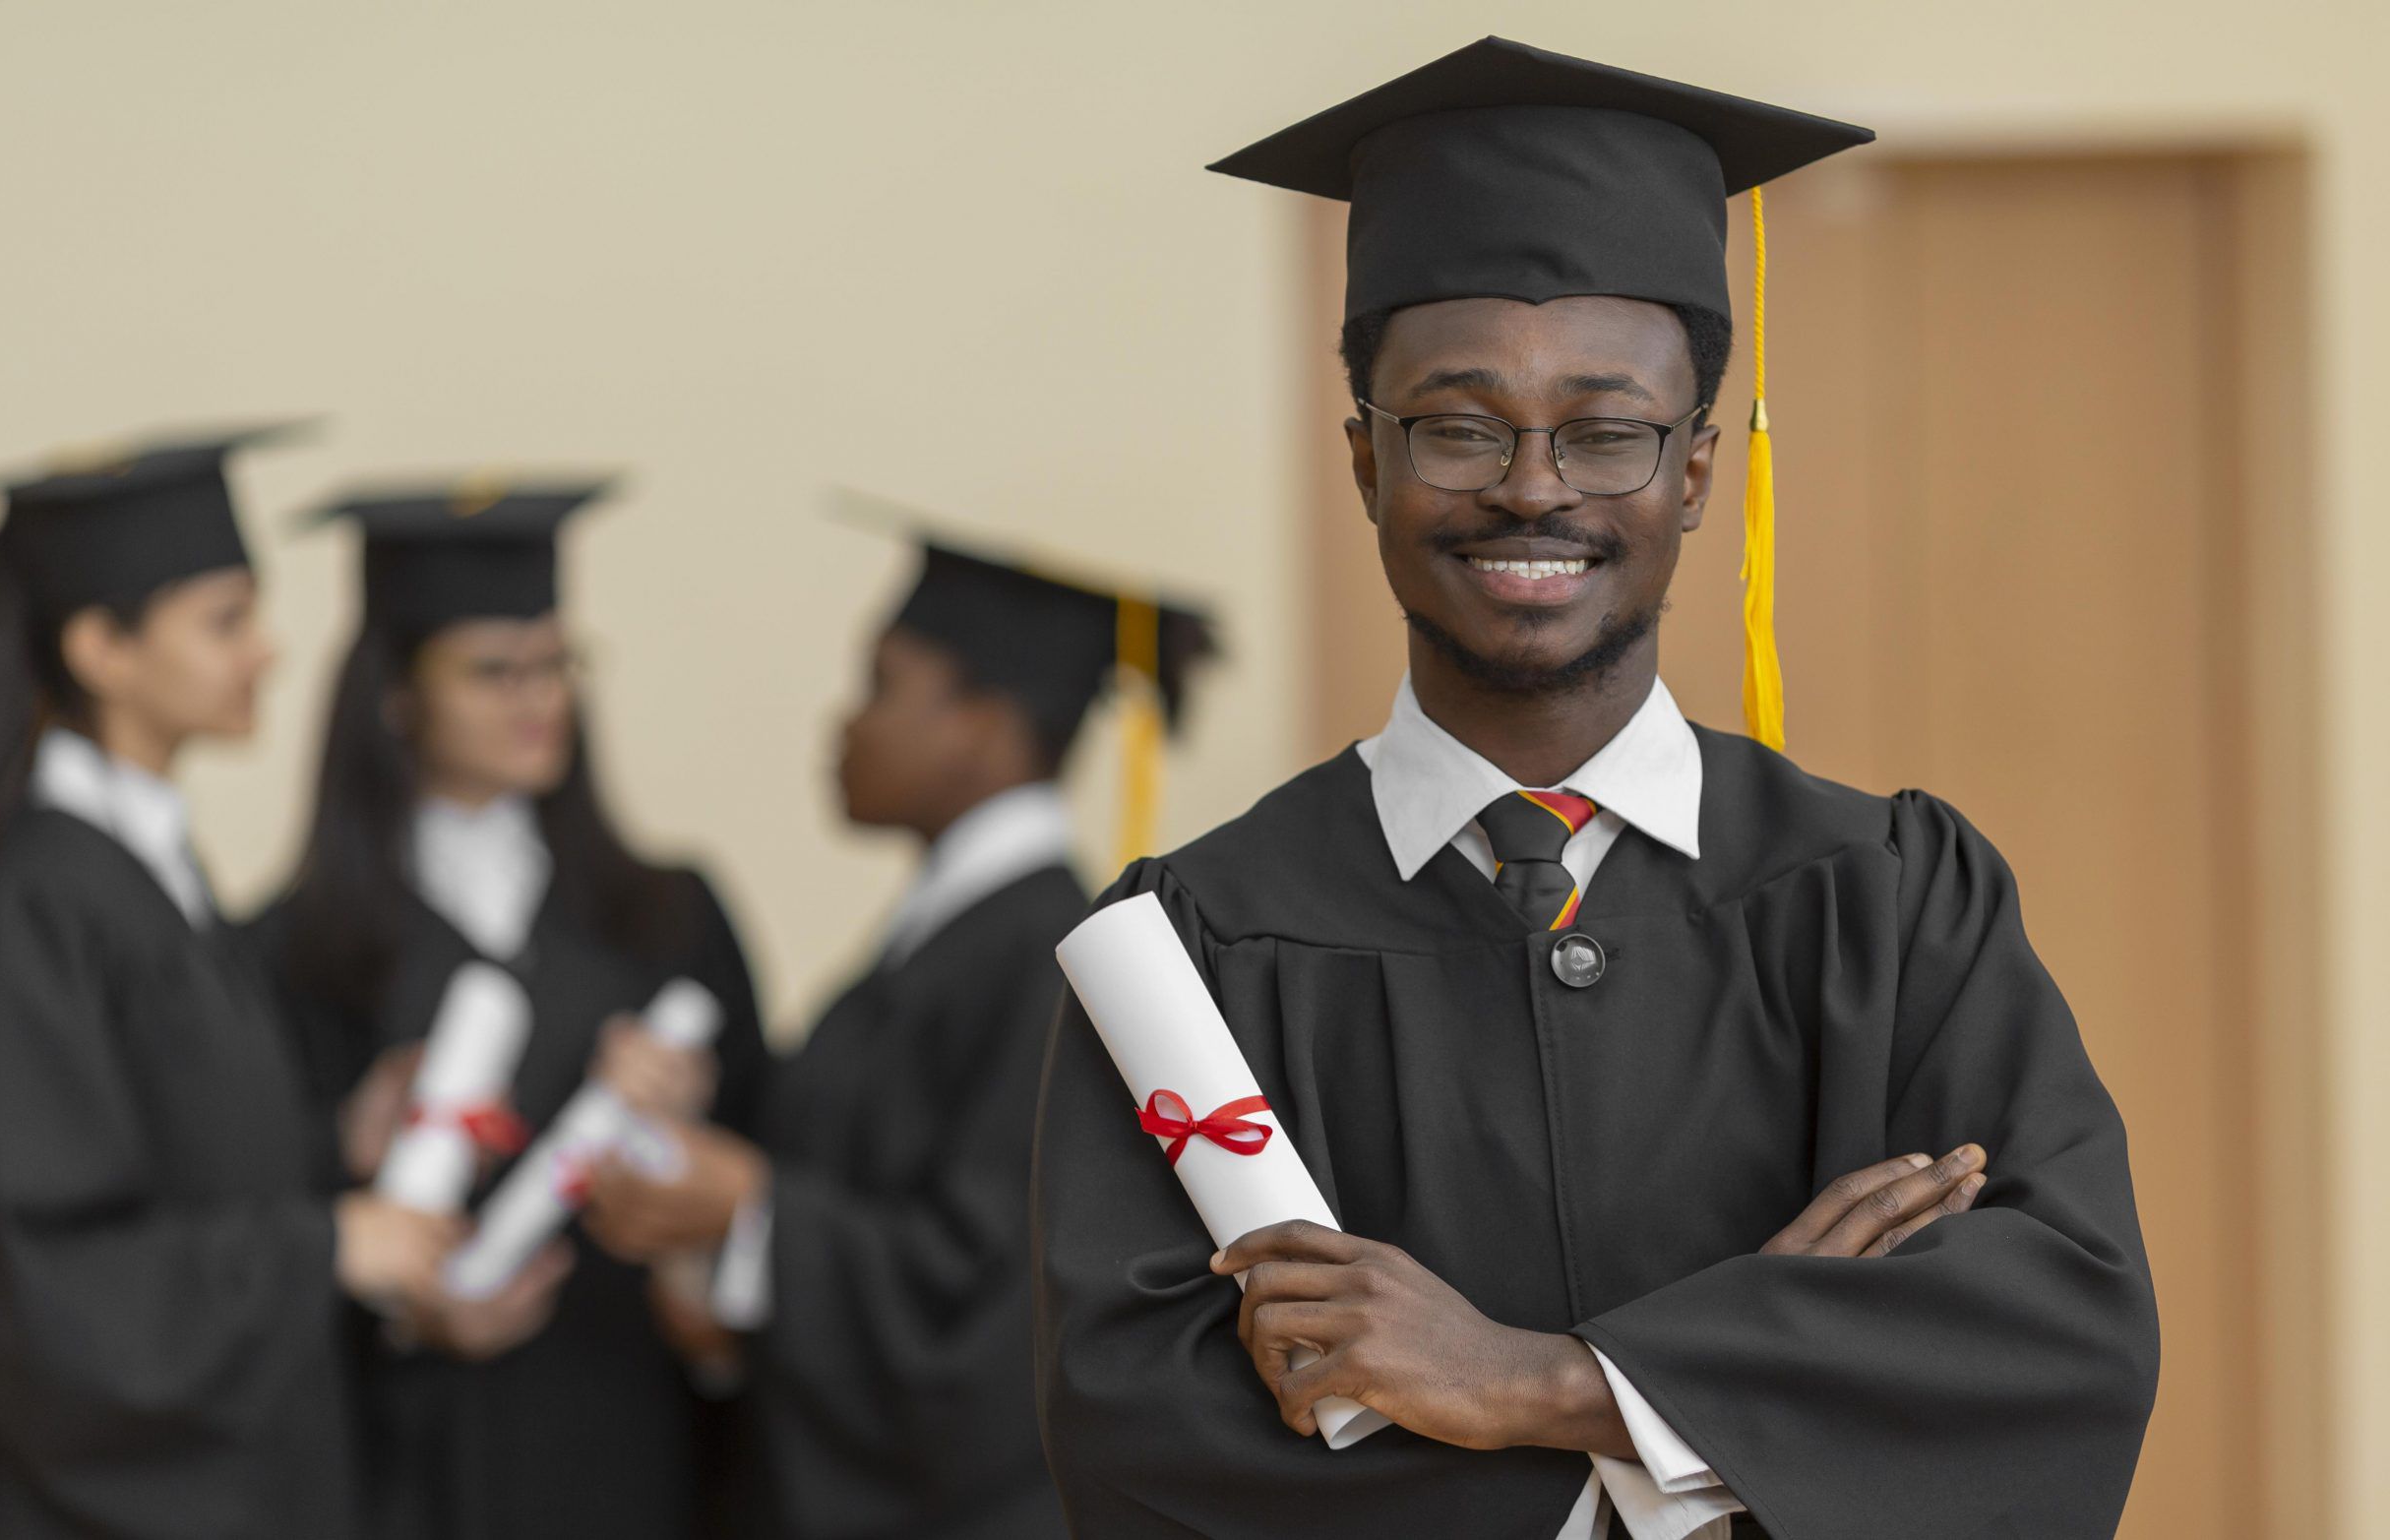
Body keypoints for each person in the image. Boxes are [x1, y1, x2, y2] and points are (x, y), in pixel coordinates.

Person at [1032, 38, 2159, 1540]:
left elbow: (2057, 1335)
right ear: (1366, 459)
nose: (1534, 487)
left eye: (1607, 430)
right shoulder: (1197, 949)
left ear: (1696, 470)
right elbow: (1146, 1441)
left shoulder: (1893, 901)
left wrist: (1543, 1383)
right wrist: (1750, 1392)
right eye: (1459, 423)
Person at [582, 515, 1214, 1540]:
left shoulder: (1048, 961)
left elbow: (995, 1301)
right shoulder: (947, 943)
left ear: (981, 719)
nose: (845, 723)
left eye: (880, 684)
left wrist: (751, 1211)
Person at [0, 426, 459, 1540]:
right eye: (226, 619)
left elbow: (165, 1167)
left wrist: (331, 1139)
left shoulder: (148, 878)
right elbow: (47, 1281)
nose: (268, 651)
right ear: (103, 646)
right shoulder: (44, 906)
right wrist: (329, 1243)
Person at [254, 477, 772, 1540]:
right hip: (398, 1460)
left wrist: (678, 1142)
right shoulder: (293, 950)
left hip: (625, 1445)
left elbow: (764, 1186)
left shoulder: (668, 917)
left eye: (555, 661)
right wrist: (403, 1298)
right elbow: (253, 1211)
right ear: (397, 693)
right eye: (492, 669)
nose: (536, 697)